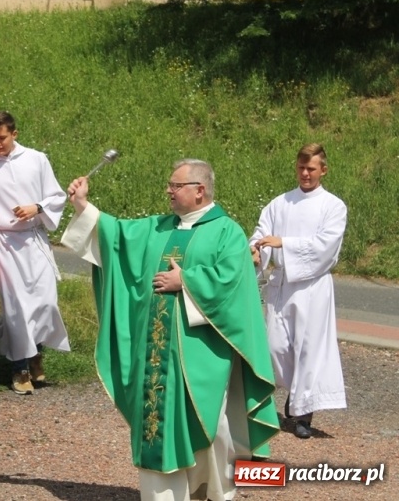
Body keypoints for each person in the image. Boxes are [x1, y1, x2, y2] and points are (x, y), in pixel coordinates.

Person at [61, 159, 279, 501]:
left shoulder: (227, 232)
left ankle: (215, 492)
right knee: (156, 425)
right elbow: (116, 236)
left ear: (199, 190)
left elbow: (233, 286)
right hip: (155, 354)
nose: (168, 191)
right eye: (170, 185)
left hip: (202, 354)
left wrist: (186, 281)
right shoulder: (158, 227)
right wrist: (82, 205)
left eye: (176, 186)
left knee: (213, 425)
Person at [0, 110, 70, 395]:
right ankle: (19, 368)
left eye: (2, 138)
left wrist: (37, 207)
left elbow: (56, 196)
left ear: (14, 134)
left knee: (46, 302)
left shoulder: (36, 159)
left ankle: (35, 353)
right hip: (4, 242)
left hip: (33, 238)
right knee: (18, 306)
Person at [249, 143, 347, 440]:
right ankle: (294, 393)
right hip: (282, 284)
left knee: (308, 349)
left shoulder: (333, 206)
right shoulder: (280, 203)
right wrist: (256, 250)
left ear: (323, 170)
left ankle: (303, 413)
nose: (305, 174)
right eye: (301, 168)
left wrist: (285, 244)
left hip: (312, 286)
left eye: (311, 169)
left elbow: (325, 246)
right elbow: (262, 232)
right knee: (276, 346)